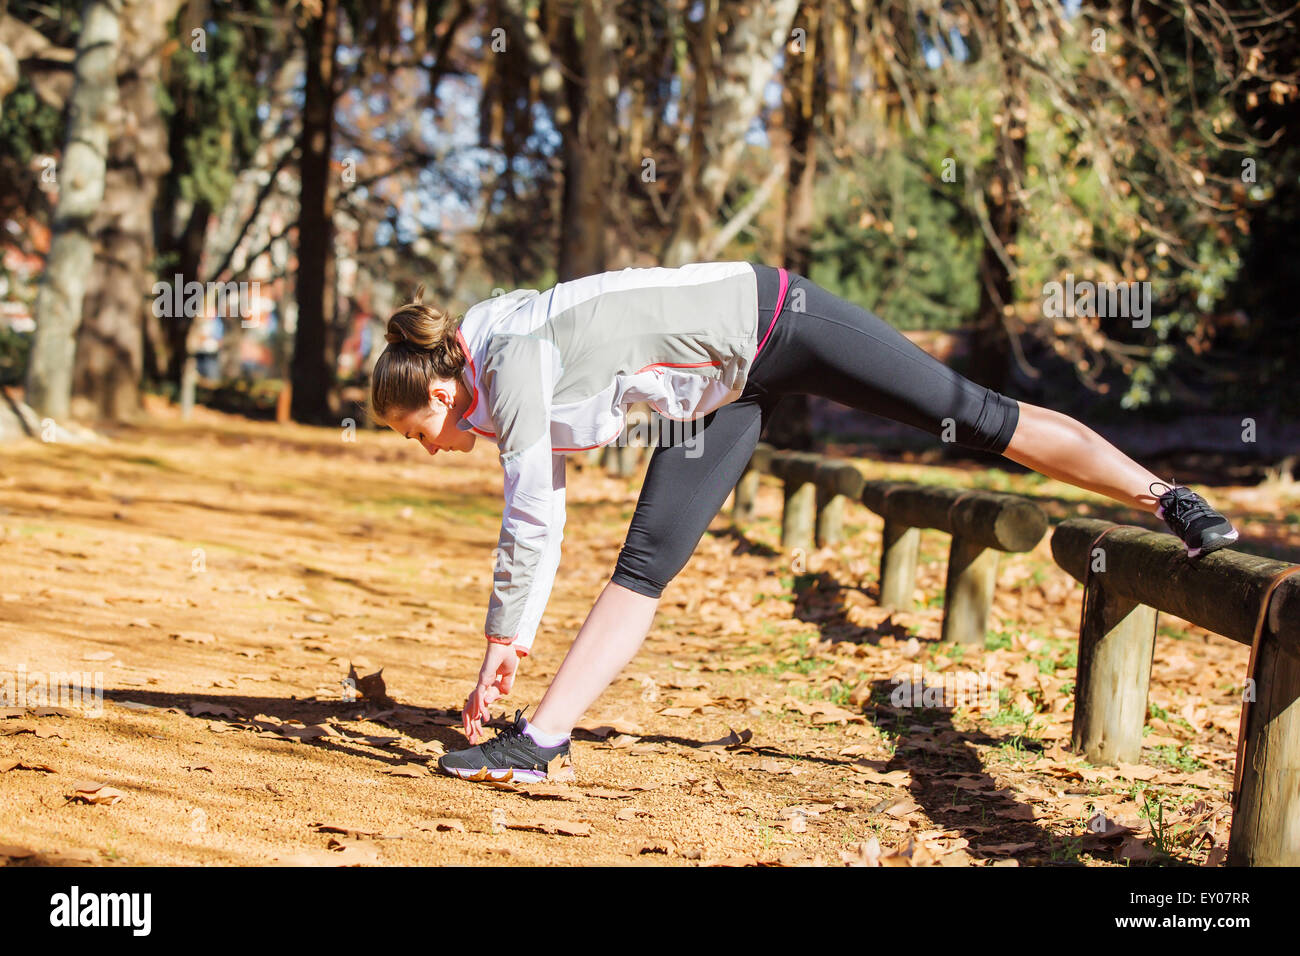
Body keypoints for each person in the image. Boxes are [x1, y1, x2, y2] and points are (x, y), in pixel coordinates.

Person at [368, 262, 1238, 783]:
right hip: (719, 390)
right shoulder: (496, 366)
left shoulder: (508, 362)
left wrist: (497, 640)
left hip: (780, 319)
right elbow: (546, 501)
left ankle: (1165, 497)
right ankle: (542, 742)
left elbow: (531, 516)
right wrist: (510, 646)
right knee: (645, 561)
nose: (429, 450)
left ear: (443, 392)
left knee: (975, 415)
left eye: (419, 434)